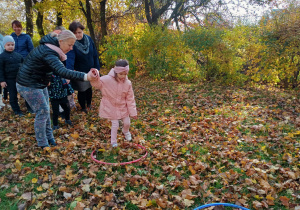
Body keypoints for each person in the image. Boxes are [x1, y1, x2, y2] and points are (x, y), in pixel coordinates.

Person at [16, 30, 98, 149]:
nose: (71, 48)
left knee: (45, 111)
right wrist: (86, 76)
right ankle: (42, 143)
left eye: (72, 45)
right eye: (69, 45)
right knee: (42, 112)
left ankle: (50, 138)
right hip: (28, 84)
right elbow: (62, 71)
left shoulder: (51, 48)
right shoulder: (49, 52)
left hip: (39, 82)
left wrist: (46, 78)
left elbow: (46, 67)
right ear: (60, 42)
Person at [90, 59, 137, 148]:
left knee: (127, 122)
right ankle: (113, 142)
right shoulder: (107, 79)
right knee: (115, 124)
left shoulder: (128, 83)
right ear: (116, 72)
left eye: (125, 74)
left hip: (123, 107)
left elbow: (130, 99)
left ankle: (126, 131)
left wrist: (133, 112)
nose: (123, 76)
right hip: (111, 106)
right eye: (121, 74)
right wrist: (94, 76)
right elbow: (97, 84)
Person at [66, 21, 100, 113]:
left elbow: (94, 55)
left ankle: (89, 103)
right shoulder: (72, 43)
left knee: (89, 88)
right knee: (82, 90)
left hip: (91, 70)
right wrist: (68, 73)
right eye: (75, 33)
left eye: (79, 32)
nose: (77, 35)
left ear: (82, 31)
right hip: (79, 72)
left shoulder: (89, 39)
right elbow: (70, 59)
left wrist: (97, 68)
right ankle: (83, 107)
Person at [0, 36, 27, 116]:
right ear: (4, 45)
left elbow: (24, 66)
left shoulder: (18, 56)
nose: (10, 46)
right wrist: (2, 80)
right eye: (8, 45)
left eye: (12, 44)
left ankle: (29, 107)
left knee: (25, 93)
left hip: (20, 79)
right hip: (9, 80)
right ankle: (17, 111)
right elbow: (0, 70)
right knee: (13, 95)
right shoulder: (1, 57)